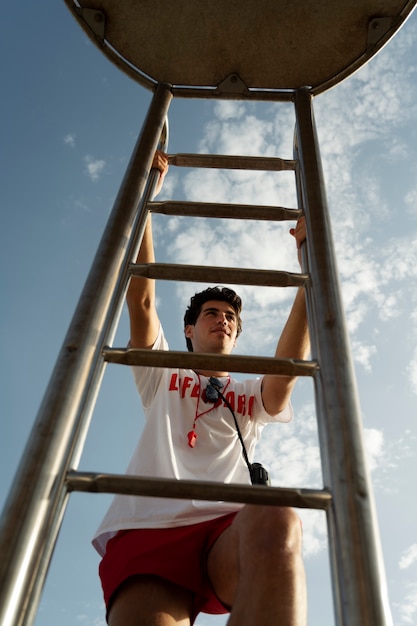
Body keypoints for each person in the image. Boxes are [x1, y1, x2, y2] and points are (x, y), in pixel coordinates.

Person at [93, 151, 310, 626]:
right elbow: (143, 295)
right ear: (190, 330)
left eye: (231, 316)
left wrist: (307, 270)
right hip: (149, 526)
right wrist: (147, 193)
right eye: (211, 313)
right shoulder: (163, 369)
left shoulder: (250, 395)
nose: (223, 319)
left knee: (278, 522)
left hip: (225, 527)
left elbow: (287, 371)